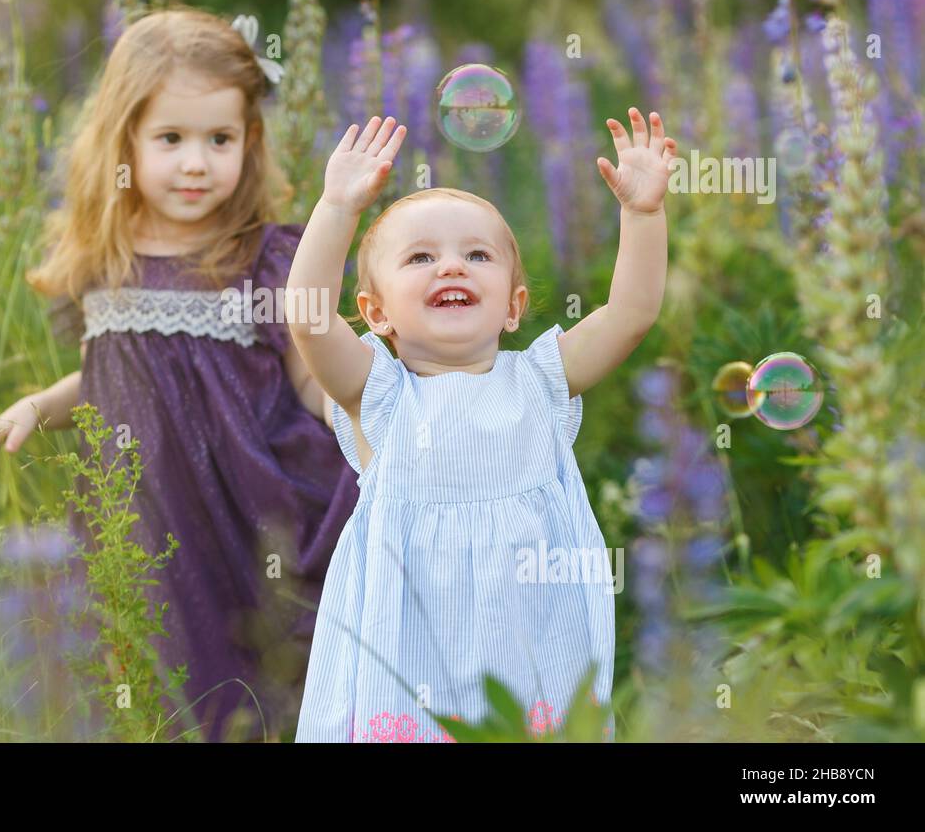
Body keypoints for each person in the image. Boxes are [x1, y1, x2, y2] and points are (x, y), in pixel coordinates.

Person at [0, 7, 360, 742]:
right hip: (143, 505)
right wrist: (33, 409)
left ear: (250, 141)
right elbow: (105, 369)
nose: (196, 162)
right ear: (124, 141)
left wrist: (364, 421)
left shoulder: (262, 256)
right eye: (171, 139)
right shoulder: (106, 256)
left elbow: (309, 374)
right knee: (160, 659)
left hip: (243, 498)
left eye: (219, 139)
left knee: (263, 657)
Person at [289, 110, 677, 742]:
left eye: (477, 254)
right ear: (375, 312)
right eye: (421, 257)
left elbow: (631, 312)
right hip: (412, 654)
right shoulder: (379, 396)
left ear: (514, 306)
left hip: (531, 642)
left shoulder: (543, 382)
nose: (452, 267)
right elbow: (307, 320)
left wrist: (643, 215)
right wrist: (336, 206)